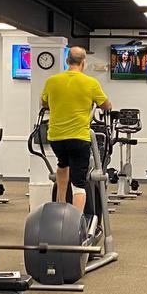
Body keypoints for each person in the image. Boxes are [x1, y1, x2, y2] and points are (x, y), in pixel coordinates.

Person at [41, 45, 111, 221]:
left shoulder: (52, 81)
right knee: (79, 182)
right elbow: (107, 105)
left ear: (67, 61)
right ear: (83, 63)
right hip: (79, 138)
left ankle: (61, 204)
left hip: (56, 137)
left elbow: (44, 103)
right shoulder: (91, 83)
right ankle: (75, 222)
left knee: (62, 164)